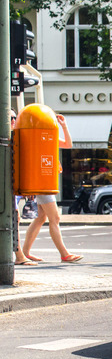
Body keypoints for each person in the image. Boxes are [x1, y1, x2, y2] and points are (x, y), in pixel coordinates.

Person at [21, 112, 83, 263]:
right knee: (54, 218)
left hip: (46, 182)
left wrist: (64, 126)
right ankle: (64, 254)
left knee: (41, 218)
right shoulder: (39, 138)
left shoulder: (47, 138)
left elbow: (68, 144)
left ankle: (25, 252)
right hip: (44, 183)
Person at [10, 109, 37, 266]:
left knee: (16, 218)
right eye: (11, 118)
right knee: (14, 218)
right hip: (8, 187)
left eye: (15, 117)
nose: (14, 120)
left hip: (12, 187)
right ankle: (19, 256)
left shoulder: (16, 137)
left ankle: (20, 255)